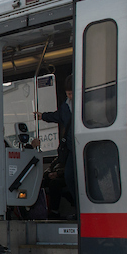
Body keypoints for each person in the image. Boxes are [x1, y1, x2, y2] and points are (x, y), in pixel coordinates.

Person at [35, 74, 76, 218]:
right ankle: (78, 208)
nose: (70, 96)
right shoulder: (66, 106)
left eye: (71, 93)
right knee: (70, 177)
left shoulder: (83, 104)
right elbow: (58, 116)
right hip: (72, 148)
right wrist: (43, 116)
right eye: (68, 94)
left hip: (80, 146)